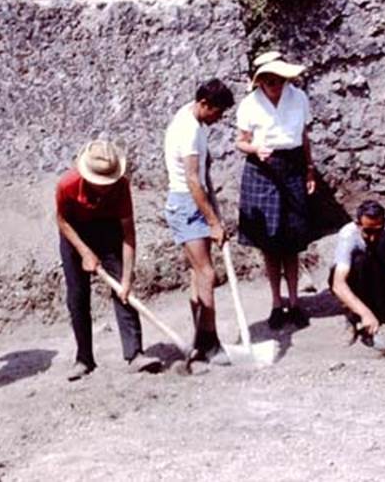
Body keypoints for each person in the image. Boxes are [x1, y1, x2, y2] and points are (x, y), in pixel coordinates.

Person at [56, 140, 160, 381]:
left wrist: (126, 277)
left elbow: (128, 234)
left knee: (124, 292)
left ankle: (135, 354)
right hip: (75, 233)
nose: (105, 187)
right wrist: (84, 252)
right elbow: (62, 221)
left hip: (108, 229)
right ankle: (84, 359)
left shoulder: (121, 186)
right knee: (77, 297)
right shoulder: (67, 185)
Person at [234, 51, 316, 331]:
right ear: (259, 82)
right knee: (269, 242)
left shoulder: (299, 98)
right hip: (261, 169)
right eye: (268, 81)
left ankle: (294, 303)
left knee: (291, 240)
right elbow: (241, 142)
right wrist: (256, 148)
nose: (275, 85)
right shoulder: (249, 105)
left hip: (292, 165)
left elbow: (304, 136)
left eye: (279, 80)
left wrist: (309, 169)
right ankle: (275, 303)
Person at [163, 78, 236, 364]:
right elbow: (193, 180)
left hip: (194, 200)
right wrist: (213, 222)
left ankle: (201, 340)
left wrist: (214, 213)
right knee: (207, 274)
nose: (220, 118)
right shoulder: (189, 130)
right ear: (204, 104)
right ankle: (211, 341)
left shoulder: (191, 117)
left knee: (198, 274)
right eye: (218, 111)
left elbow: (203, 177)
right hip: (186, 203)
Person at [329, 200, 385, 337]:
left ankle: (379, 309)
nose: (373, 237)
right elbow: (338, 284)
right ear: (358, 225)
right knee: (359, 261)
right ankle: (355, 313)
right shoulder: (348, 235)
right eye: (368, 232)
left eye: (378, 231)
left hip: (380, 277)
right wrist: (365, 314)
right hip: (358, 278)